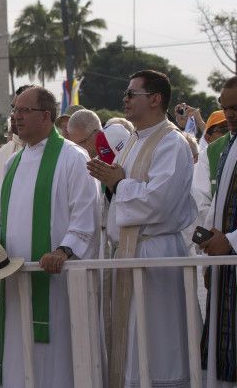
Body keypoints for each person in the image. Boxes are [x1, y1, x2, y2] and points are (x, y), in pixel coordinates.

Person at [85, 70, 195, 388]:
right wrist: (112, 185)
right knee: (132, 340)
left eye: (132, 94)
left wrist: (118, 183)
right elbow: (121, 195)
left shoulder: (172, 142)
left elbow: (160, 201)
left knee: (159, 343)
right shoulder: (134, 140)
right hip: (130, 252)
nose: (126, 99)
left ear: (155, 99)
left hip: (156, 252)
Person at [0, 85, 100, 388]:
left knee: (56, 363)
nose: (16, 117)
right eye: (14, 110)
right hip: (17, 280)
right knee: (19, 358)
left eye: (24, 110)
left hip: (57, 281)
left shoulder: (72, 157)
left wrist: (63, 250)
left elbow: (86, 213)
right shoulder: (13, 162)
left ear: (45, 116)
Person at [199, 76, 237, 384]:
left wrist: (232, 241)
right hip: (226, 265)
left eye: (236, 108)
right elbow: (216, 204)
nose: (230, 115)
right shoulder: (228, 146)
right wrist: (212, 241)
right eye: (225, 108)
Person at [0, 85, 32, 183]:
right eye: (13, 109)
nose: (13, 114)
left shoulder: (53, 152)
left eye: (21, 109)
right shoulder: (5, 152)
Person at [194, 108, 234, 222]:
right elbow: (201, 203)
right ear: (208, 137)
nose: (229, 131)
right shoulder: (207, 155)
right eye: (223, 129)